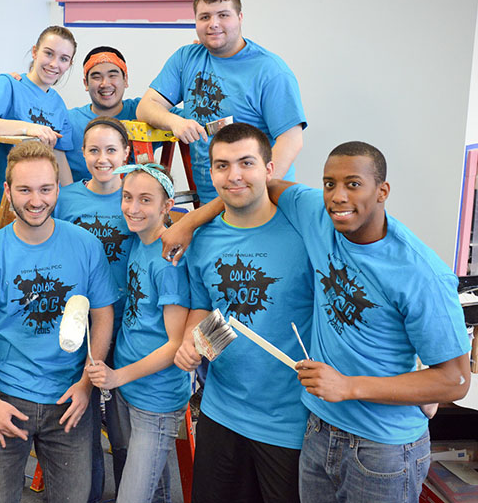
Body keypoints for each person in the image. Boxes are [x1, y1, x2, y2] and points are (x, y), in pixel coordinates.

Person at [161, 141, 472, 503]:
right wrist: (193, 221)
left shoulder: (420, 272)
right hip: (318, 430)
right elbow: (257, 183)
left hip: (380, 447)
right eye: (329, 184)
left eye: (353, 184)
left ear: (383, 191)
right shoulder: (315, 216)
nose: (338, 197)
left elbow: (456, 379)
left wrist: (351, 387)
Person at [0, 140, 117, 503]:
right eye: (24, 189)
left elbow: (103, 314)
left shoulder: (86, 246)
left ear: (58, 189)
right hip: (8, 401)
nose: (36, 200)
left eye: (45, 189)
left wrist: (86, 384)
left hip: (70, 398)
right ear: (8, 192)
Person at [173, 123, 313, 503]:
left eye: (246, 163)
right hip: (221, 413)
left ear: (269, 169)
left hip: (289, 422)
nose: (233, 175)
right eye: (221, 166)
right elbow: (208, 307)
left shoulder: (304, 233)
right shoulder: (203, 239)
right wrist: (191, 340)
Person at [137, 0, 306, 205]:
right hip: (210, 199)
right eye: (204, 17)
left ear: (240, 17)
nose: (213, 24)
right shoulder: (186, 58)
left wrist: (257, 192)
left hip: (261, 200)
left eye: (223, 15)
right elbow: (146, 106)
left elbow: (291, 140)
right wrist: (174, 122)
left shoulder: (270, 71)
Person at [87, 163, 190, 503]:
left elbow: (175, 344)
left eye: (145, 200)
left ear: (166, 205)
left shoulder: (168, 261)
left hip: (155, 400)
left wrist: (118, 376)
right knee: (153, 488)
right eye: (128, 197)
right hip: (129, 388)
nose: (133, 208)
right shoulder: (139, 242)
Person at [54, 116, 132, 501]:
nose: (103, 159)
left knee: (122, 429)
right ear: (82, 153)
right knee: (80, 422)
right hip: (79, 324)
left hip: (127, 325)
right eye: (94, 150)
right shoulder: (65, 198)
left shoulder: (136, 195)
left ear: (126, 153)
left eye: (111, 150)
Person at [0, 25, 77, 189]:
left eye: (64, 59)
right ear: (35, 52)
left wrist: (71, 201)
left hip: (44, 203)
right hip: (6, 202)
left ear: (69, 64)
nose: (54, 64)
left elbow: (60, 158)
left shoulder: (59, 105)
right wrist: (27, 128)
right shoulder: (9, 84)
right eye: (48, 53)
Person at [65, 46, 138, 181]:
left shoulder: (141, 112)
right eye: (97, 77)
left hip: (132, 200)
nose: (105, 84)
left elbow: (187, 118)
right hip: (82, 201)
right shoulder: (68, 121)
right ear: (86, 83)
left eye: (112, 75)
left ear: (125, 80)